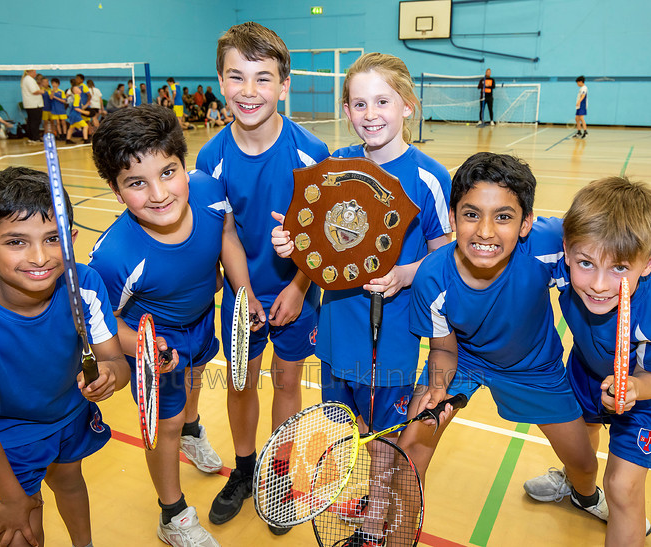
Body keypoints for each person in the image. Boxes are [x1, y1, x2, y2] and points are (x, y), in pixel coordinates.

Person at [270, 52, 453, 546]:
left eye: (382, 101)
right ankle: (366, 499)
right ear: (346, 111)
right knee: (345, 427)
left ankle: (374, 528)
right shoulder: (335, 168)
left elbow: (446, 259)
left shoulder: (430, 176)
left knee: (385, 437)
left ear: (407, 106)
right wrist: (291, 247)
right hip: (337, 328)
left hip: (391, 334)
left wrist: (405, 274)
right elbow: (312, 244)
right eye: (358, 103)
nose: (371, 113)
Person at [401, 152, 604, 531]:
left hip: (534, 369)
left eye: (504, 217)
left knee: (584, 464)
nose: (485, 232)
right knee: (412, 443)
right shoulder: (432, 276)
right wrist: (439, 386)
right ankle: (397, 528)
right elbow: (443, 348)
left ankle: (583, 495)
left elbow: (609, 242)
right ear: (453, 217)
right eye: (472, 214)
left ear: (526, 222)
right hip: (465, 362)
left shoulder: (545, 243)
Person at [0, 166, 130, 547]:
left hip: (70, 417)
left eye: (53, 238)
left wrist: (109, 377)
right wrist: (11, 497)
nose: (39, 257)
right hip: (8, 440)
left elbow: (116, 363)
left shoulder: (84, 285)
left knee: (69, 482)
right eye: (16, 242)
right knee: (21, 531)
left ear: (71, 240)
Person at [89, 104, 254, 546]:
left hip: (200, 319)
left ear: (185, 165)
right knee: (164, 422)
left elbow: (227, 238)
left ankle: (193, 431)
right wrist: (145, 348)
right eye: (136, 183)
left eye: (168, 172)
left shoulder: (209, 191)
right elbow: (97, 322)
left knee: (196, 380)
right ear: (116, 189)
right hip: (154, 343)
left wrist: (245, 292)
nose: (159, 193)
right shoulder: (114, 257)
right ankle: (172, 514)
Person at [195, 21, 329, 534]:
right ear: (221, 82)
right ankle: (246, 468)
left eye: (262, 78)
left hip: (297, 292)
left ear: (283, 84)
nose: (248, 91)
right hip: (241, 297)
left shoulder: (311, 153)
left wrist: (298, 285)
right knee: (240, 382)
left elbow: (320, 240)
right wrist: (244, 293)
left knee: (289, 382)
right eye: (236, 77)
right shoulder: (212, 158)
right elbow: (226, 233)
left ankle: (278, 474)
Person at [524, 177, 651, 545]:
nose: (599, 285)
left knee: (621, 487)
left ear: (647, 264)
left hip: (644, 389)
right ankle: (577, 488)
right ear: (566, 252)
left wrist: (634, 388)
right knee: (580, 446)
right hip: (585, 368)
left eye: (618, 269)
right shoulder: (562, 263)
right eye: (586, 263)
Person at [20, 69, 43, 144]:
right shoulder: (29, 80)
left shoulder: (28, 79)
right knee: (35, 121)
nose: (35, 73)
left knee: (31, 121)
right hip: (34, 104)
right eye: (34, 71)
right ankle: (35, 138)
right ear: (30, 72)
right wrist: (42, 91)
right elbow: (34, 91)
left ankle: (31, 137)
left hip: (31, 104)